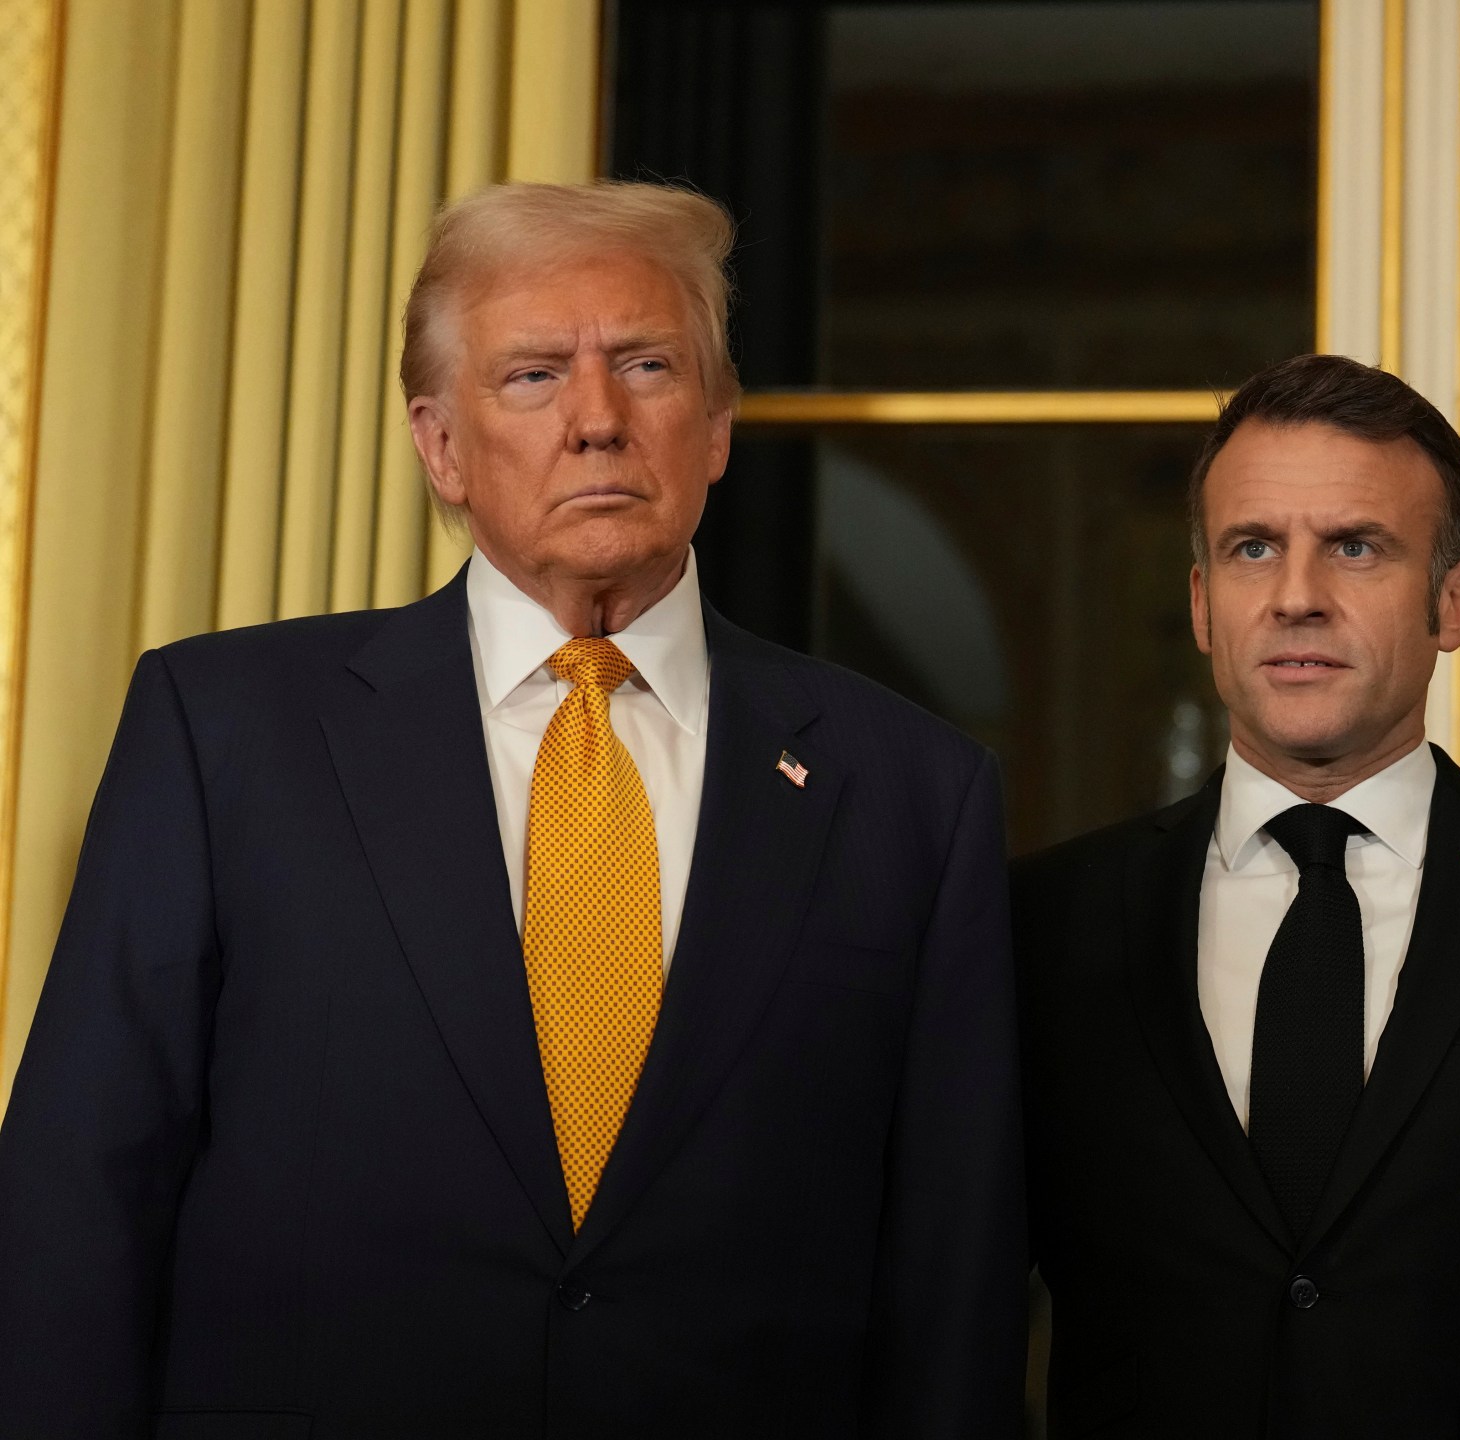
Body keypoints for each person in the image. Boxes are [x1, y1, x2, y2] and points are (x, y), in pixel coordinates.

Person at [0, 181, 1024, 1437]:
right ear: (439, 445)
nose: (597, 419)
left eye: (646, 365)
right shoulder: (225, 732)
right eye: (534, 376)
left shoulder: (911, 790)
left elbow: (953, 1270)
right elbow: (81, 1196)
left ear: (715, 425)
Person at [1013, 354, 1460, 1438]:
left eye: (1355, 548)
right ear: (1201, 603)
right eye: (1252, 549)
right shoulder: (1045, 923)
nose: (1295, 597)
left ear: (1453, 602)